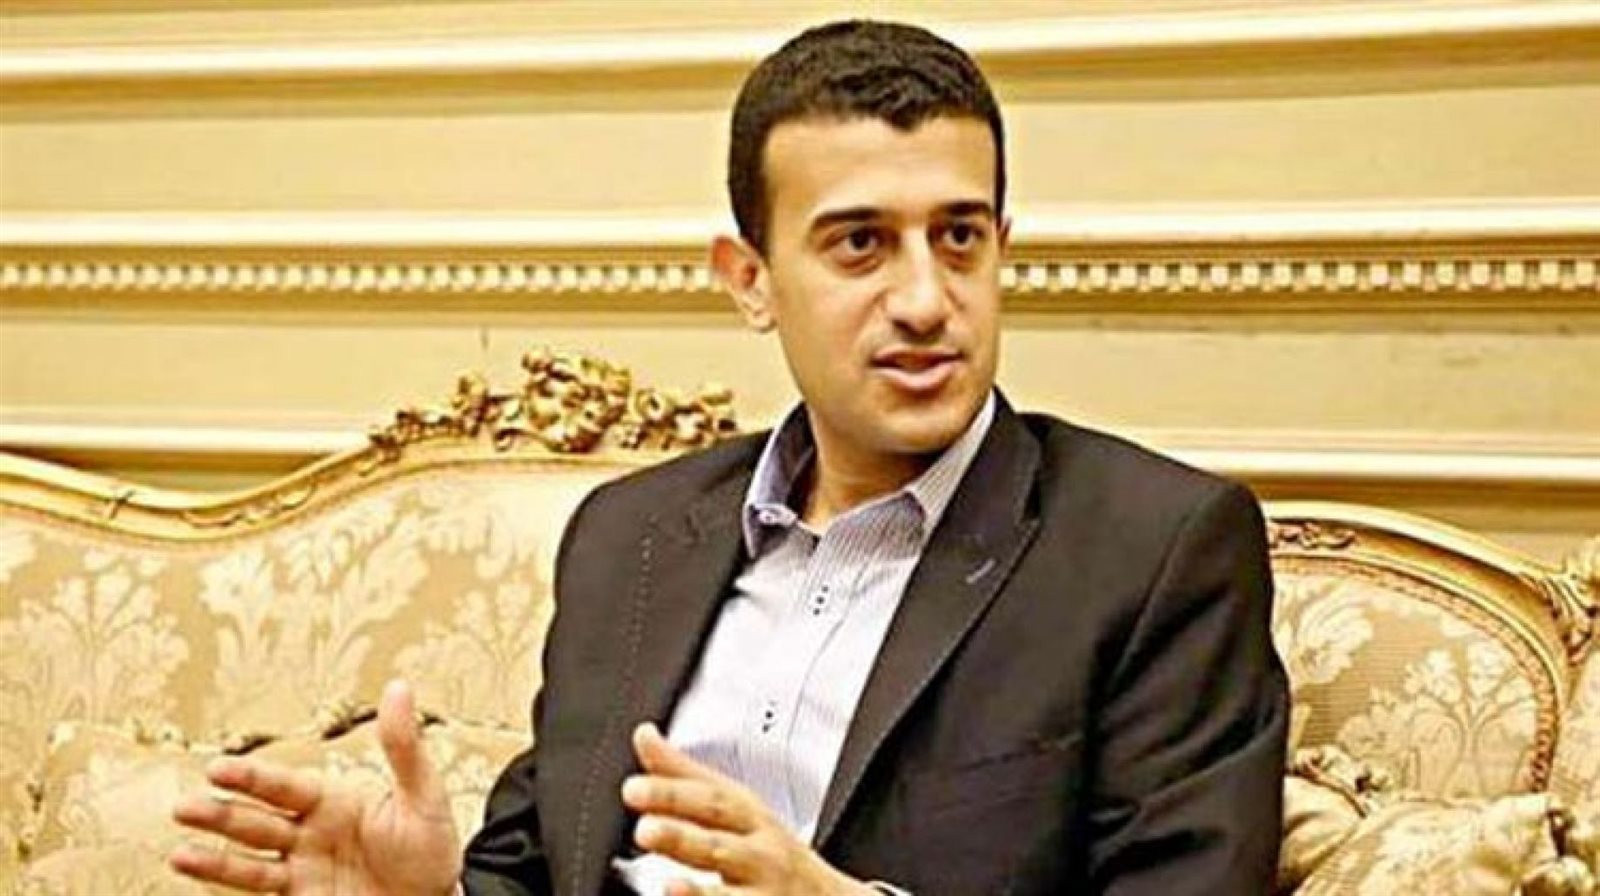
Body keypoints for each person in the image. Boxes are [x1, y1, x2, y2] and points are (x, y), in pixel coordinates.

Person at [170, 19, 1288, 896]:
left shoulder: (1151, 551)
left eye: (959, 237)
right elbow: (538, 865)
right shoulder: (633, 533)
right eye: (860, 243)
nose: (924, 299)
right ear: (750, 280)